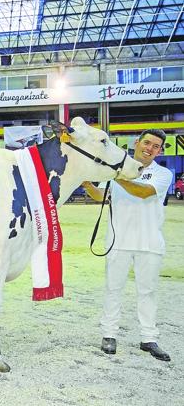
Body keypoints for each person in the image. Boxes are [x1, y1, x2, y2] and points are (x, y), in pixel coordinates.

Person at [82, 129, 173, 361]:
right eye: (147, 143)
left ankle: (149, 338)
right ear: (137, 142)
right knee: (113, 289)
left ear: (160, 151)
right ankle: (109, 334)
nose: (150, 148)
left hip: (150, 242)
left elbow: (143, 192)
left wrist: (118, 175)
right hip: (118, 240)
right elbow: (100, 195)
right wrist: (83, 180)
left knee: (148, 292)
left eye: (155, 146)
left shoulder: (162, 174)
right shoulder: (115, 171)